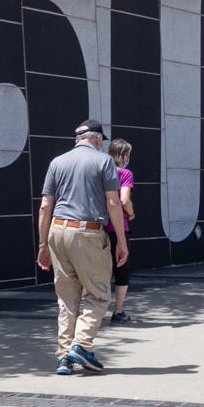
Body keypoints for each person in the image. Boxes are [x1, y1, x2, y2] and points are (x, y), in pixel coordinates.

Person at [36, 120, 126, 376]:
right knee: (98, 294)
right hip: (87, 233)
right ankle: (81, 345)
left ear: (78, 139)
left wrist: (43, 244)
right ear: (98, 139)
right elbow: (113, 202)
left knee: (66, 298)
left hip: (56, 231)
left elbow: (45, 205)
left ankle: (63, 358)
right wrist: (121, 240)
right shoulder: (103, 161)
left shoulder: (57, 162)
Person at [107, 138, 136, 323]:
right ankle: (118, 313)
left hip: (98, 227)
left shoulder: (101, 172)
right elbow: (124, 200)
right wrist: (131, 214)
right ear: (124, 155)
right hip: (118, 229)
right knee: (121, 271)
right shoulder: (125, 173)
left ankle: (86, 313)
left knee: (95, 271)